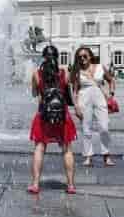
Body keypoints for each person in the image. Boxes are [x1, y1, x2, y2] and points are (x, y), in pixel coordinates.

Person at [28, 44, 77, 194]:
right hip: (62, 115)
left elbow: (35, 94)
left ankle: (36, 184)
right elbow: (69, 93)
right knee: (67, 149)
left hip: (44, 115)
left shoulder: (36, 74)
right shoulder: (64, 73)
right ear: (56, 57)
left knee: (40, 148)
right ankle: (70, 185)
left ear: (43, 57)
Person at [71, 47, 116, 168]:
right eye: (79, 57)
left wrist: (111, 94)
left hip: (100, 98)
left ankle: (106, 155)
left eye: (85, 56)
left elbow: (111, 80)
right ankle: (88, 157)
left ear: (90, 56)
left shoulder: (100, 67)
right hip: (84, 99)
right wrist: (76, 107)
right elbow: (75, 91)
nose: (82, 58)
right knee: (86, 129)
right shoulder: (77, 71)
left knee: (104, 127)